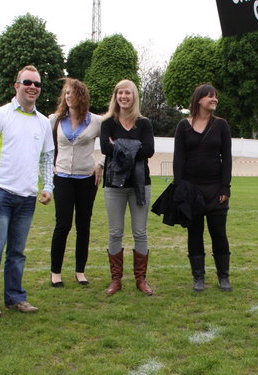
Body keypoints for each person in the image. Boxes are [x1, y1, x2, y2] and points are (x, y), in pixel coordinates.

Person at [0, 65, 54, 317]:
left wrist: (48, 186)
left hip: (27, 196)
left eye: (37, 84)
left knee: (17, 252)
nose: (33, 87)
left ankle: (15, 297)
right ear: (16, 85)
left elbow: (47, 157)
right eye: (27, 82)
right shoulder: (0, 116)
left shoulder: (43, 122)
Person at [173, 84, 232, 292]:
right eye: (209, 96)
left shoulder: (221, 125)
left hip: (216, 190)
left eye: (215, 96)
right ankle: (198, 277)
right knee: (194, 234)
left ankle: (223, 276)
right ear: (199, 100)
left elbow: (227, 158)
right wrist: (179, 187)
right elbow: (178, 159)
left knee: (219, 234)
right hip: (191, 191)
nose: (214, 99)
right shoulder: (183, 126)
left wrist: (225, 188)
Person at [100, 79, 154, 296]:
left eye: (128, 93)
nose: (123, 96)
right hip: (114, 185)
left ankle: (141, 279)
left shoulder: (144, 123)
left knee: (140, 232)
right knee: (115, 232)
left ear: (134, 96)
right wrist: (132, 146)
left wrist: (119, 146)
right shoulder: (107, 123)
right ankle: (116, 280)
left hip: (140, 184)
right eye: (120, 93)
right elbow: (105, 148)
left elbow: (148, 150)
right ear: (116, 96)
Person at [49, 78, 103, 288]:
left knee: (83, 226)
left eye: (72, 93)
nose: (68, 96)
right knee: (62, 225)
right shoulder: (54, 120)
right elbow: (42, 146)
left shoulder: (96, 121)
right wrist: (49, 166)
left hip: (87, 181)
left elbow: (111, 145)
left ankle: (80, 271)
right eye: (66, 93)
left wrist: (101, 164)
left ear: (81, 96)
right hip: (62, 178)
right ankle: (56, 273)